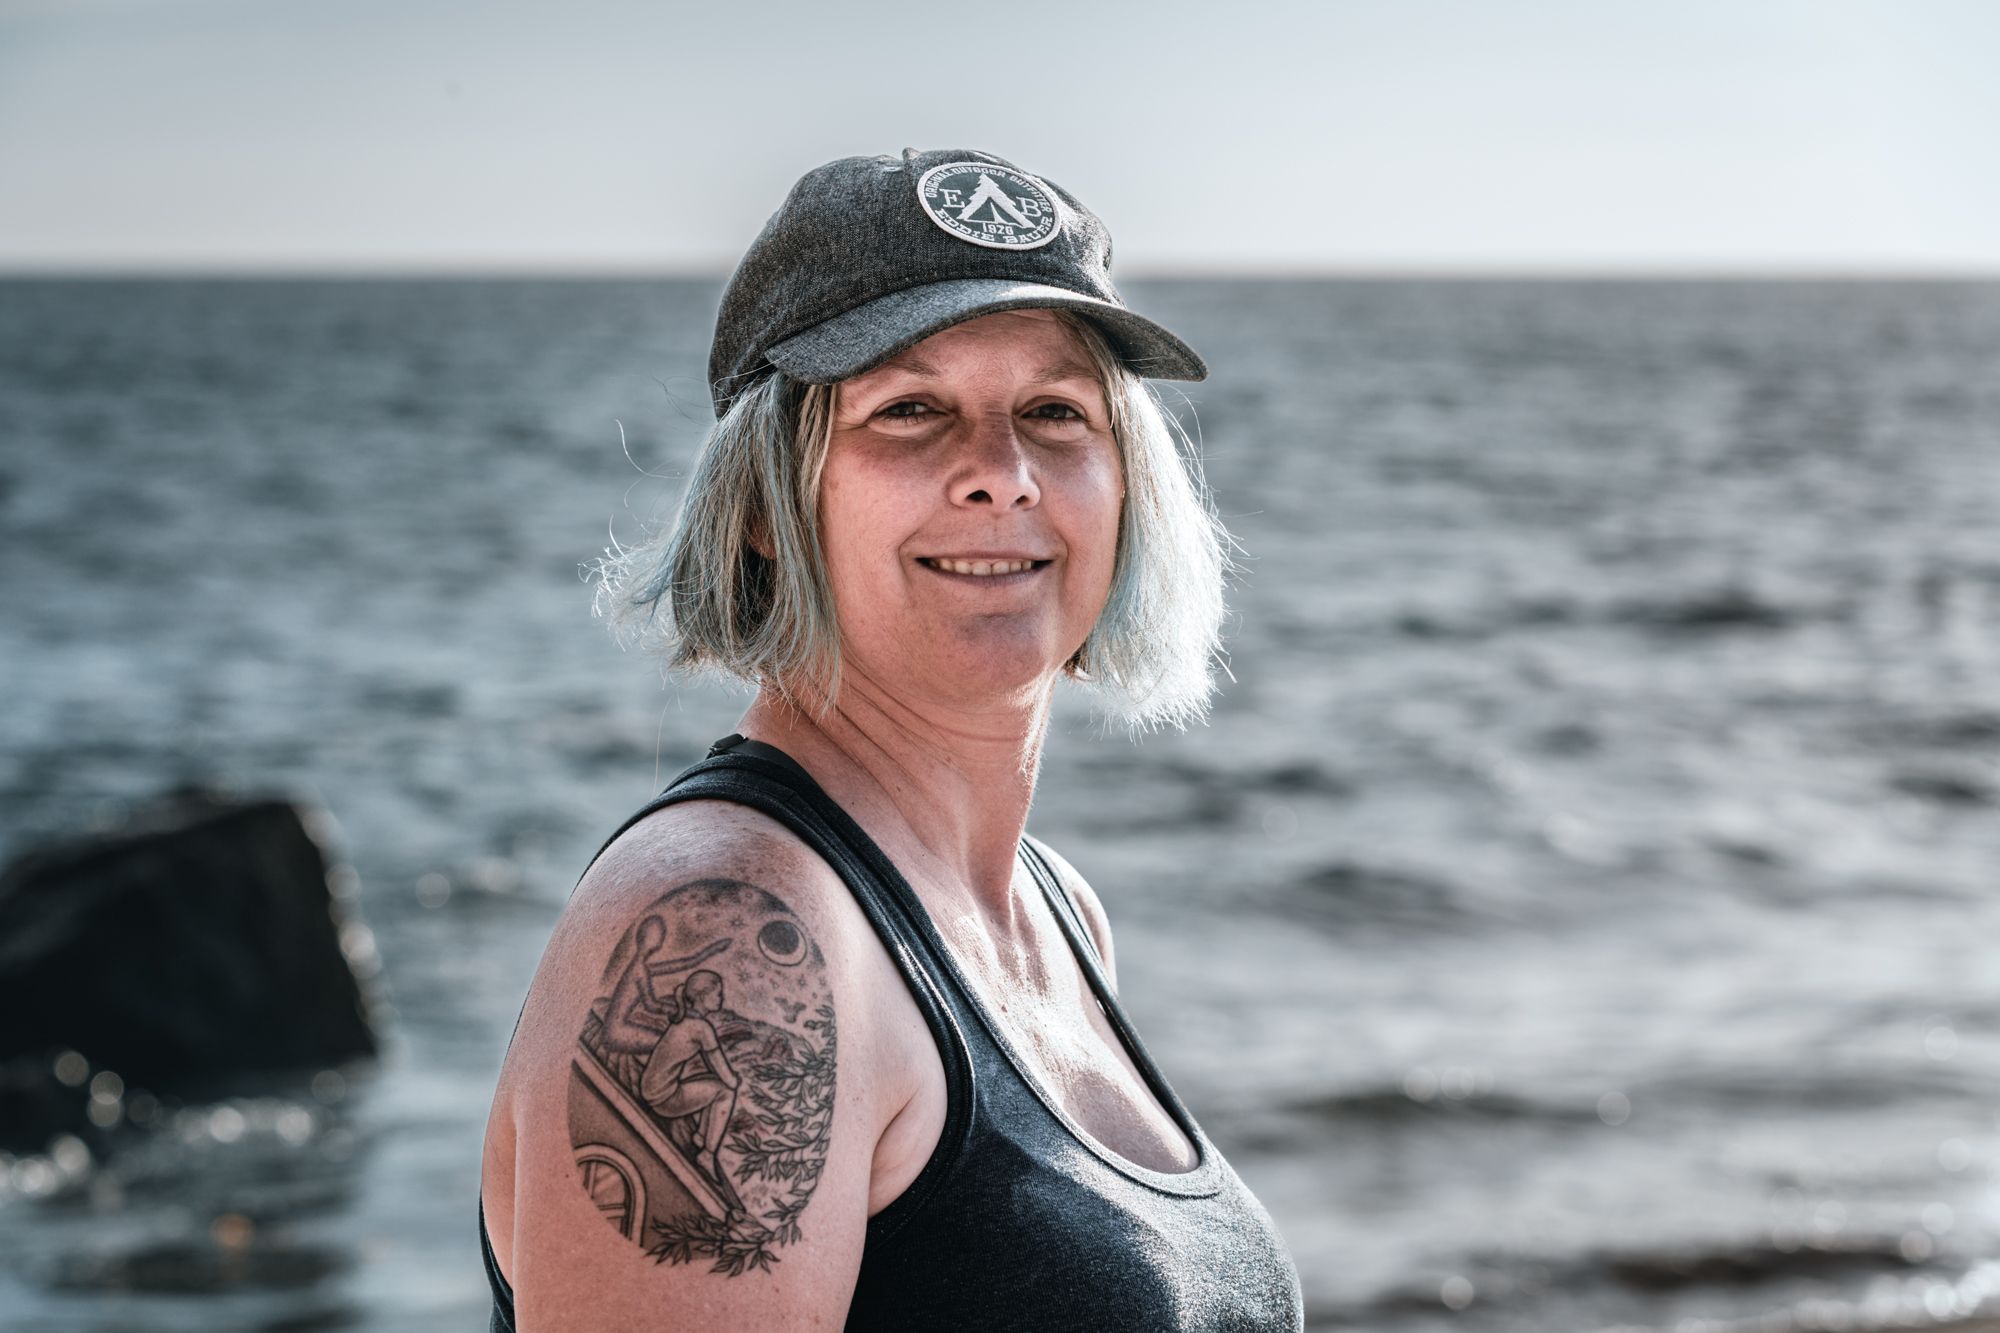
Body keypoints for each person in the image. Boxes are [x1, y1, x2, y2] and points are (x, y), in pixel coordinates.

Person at [480, 147, 1305, 1329]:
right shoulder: (728, 932)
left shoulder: (1053, 911)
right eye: (910, 410)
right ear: (763, 504)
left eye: (1055, 411)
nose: (1000, 475)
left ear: (1123, 485)